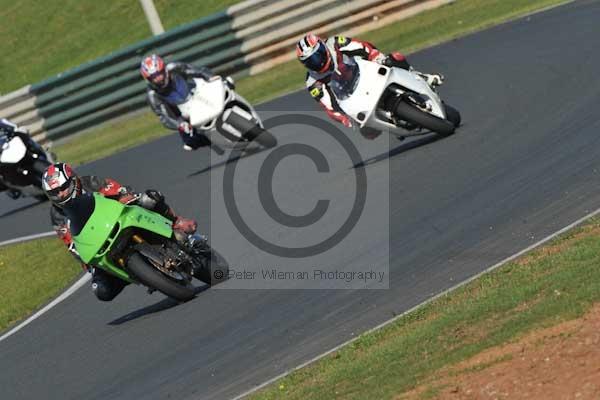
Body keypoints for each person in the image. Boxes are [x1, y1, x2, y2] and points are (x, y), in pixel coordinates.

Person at [42, 162, 198, 301]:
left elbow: (118, 191)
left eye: (63, 188)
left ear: (74, 181)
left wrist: (126, 197)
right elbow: (71, 243)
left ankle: (176, 222)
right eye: (55, 193)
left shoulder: (90, 182)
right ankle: (142, 275)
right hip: (100, 243)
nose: (61, 194)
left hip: (121, 218)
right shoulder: (57, 215)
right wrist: (86, 260)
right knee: (101, 290)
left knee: (150, 198)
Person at [296, 33, 444, 138]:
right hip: (353, 94)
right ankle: (391, 125)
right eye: (311, 61)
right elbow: (329, 106)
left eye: (318, 55)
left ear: (322, 46)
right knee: (368, 132)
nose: (318, 62)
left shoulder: (335, 43)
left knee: (394, 58)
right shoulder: (313, 82)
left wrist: (376, 56)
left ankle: (421, 76)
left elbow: (362, 47)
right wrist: (346, 119)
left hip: (367, 72)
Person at [140, 54, 217, 151]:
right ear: (148, 80)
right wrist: (179, 125)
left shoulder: (174, 68)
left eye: (159, 73)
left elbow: (197, 70)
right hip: (183, 112)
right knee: (189, 142)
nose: (159, 78)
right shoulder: (152, 94)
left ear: (164, 69)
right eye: (154, 77)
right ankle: (214, 141)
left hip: (197, 91)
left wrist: (210, 78)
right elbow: (163, 117)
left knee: (224, 83)